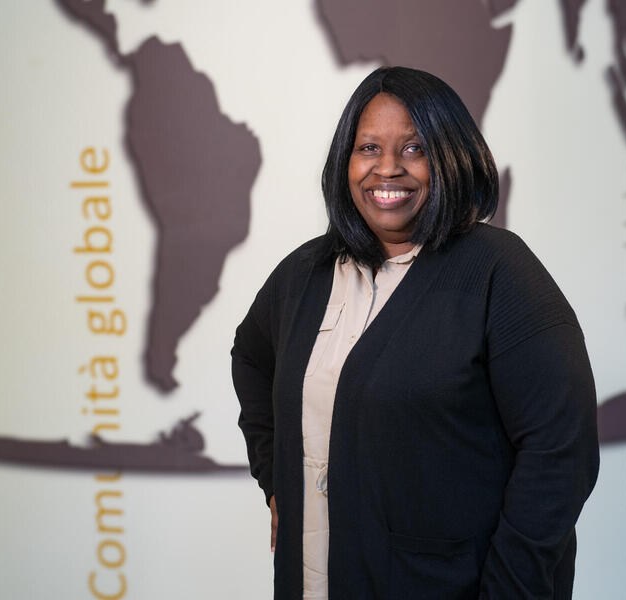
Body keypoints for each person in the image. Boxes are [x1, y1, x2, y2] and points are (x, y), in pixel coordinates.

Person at [231, 66, 599, 599]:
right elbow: (252, 356)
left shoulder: (499, 271)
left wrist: (512, 588)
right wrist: (276, 480)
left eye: (413, 149)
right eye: (368, 148)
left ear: (450, 156)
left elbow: (560, 450)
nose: (387, 169)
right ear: (345, 161)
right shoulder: (306, 273)